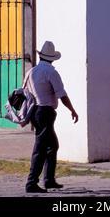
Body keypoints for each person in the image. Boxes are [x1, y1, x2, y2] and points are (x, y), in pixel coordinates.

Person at [24, 40, 79, 193]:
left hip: (35, 111)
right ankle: (31, 182)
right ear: (52, 58)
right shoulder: (51, 72)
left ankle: (48, 179)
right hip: (45, 112)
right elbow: (62, 95)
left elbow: (25, 92)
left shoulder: (32, 72)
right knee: (41, 148)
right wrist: (72, 110)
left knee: (51, 146)